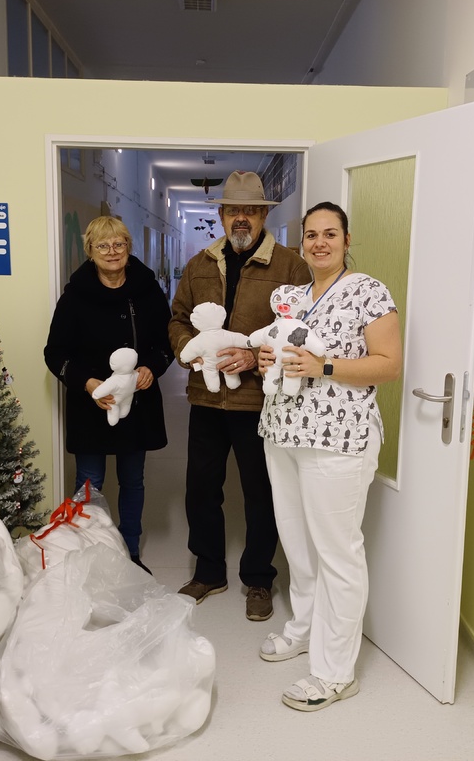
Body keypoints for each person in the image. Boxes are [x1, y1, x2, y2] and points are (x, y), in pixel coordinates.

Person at [256, 201, 402, 711]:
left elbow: (389, 364)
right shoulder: (292, 297)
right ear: (302, 242)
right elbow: (280, 354)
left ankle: (336, 673)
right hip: (282, 433)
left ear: (346, 240)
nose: (320, 243)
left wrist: (324, 367)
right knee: (297, 544)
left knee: (338, 553)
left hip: (338, 440)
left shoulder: (368, 292)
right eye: (311, 234)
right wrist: (264, 359)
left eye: (330, 234)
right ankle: (302, 628)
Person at [169, 171, 311, 621]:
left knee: (261, 492)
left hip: (260, 402)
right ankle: (209, 571)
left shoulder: (290, 267)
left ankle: (259, 577)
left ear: (264, 216)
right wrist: (189, 350)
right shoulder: (199, 265)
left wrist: (254, 357)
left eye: (251, 210)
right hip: (206, 398)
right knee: (200, 489)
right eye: (234, 210)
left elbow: (301, 329)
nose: (242, 218)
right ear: (222, 215)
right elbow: (177, 319)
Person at [44, 215, 174, 573]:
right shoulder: (74, 296)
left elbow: (166, 343)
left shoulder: (147, 290)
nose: (112, 251)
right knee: (90, 483)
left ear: (128, 248)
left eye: (119, 244)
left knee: (133, 480)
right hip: (91, 406)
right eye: (103, 245)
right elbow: (55, 353)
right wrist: (87, 384)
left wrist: (152, 367)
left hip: (137, 404)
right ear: (90, 251)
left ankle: (130, 552)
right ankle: (91, 554)